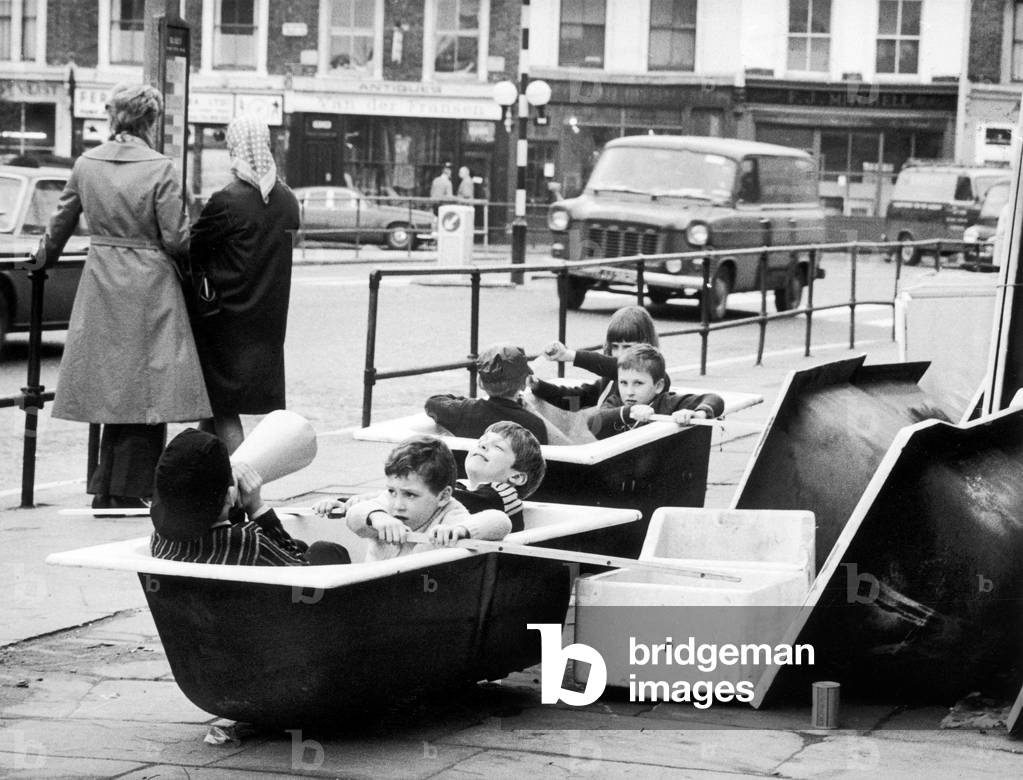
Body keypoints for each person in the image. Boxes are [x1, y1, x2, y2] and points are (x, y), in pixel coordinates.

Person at [34, 83, 210, 510]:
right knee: (149, 390)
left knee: (114, 386)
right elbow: (176, 237)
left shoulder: (86, 163)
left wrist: (43, 260)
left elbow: (60, 223)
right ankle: (132, 487)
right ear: (150, 120)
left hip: (101, 278)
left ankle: (108, 485)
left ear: (115, 117)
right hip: (149, 282)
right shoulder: (161, 167)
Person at [189, 114, 300, 453]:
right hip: (267, 318)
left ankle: (243, 487)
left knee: (223, 405)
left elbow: (192, 247)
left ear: (235, 148)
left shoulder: (228, 200)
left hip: (226, 318)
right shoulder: (287, 199)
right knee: (217, 401)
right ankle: (205, 470)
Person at [149, 428, 350, 566]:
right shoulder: (248, 542)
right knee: (325, 550)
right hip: (276, 618)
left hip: (209, 608)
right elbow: (298, 566)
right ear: (228, 496)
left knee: (301, 545)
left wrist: (229, 505)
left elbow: (218, 529)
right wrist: (255, 505)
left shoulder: (159, 538)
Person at [342, 436, 512, 562]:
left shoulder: (449, 515)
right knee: (326, 550)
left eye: (410, 495)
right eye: (392, 491)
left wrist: (461, 530)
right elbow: (355, 515)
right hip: (370, 587)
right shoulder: (385, 506)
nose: (398, 505)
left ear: (443, 496)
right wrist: (377, 517)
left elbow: (500, 521)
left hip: (414, 592)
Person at [532, 305, 660, 411]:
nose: (620, 354)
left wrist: (570, 355)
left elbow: (613, 365)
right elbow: (575, 401)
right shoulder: (609, 380)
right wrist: (538, 386)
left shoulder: (657, 376)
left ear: (646, 344)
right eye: (615, 347)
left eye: (627, 347)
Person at [587, 345, 724, 440]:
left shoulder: (667, 402)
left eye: (638, 383)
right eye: (623, 383)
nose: (629, 392)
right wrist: (630, 411)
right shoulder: (616, 402)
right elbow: (593, 422)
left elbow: (714, 399)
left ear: (658, 386)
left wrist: (698, 414)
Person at [425, 343, 549, 444]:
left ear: (481, 383)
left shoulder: (463, 412)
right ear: (523, 384)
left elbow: (433, 402)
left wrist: (468, 403)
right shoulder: (535, 425)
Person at [456, 421, 546, 533]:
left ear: (517, 476)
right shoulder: (459, 486)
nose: (482, 445)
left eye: (498, 447)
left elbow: (474, 502)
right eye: (481, 442)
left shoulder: (505, 495)